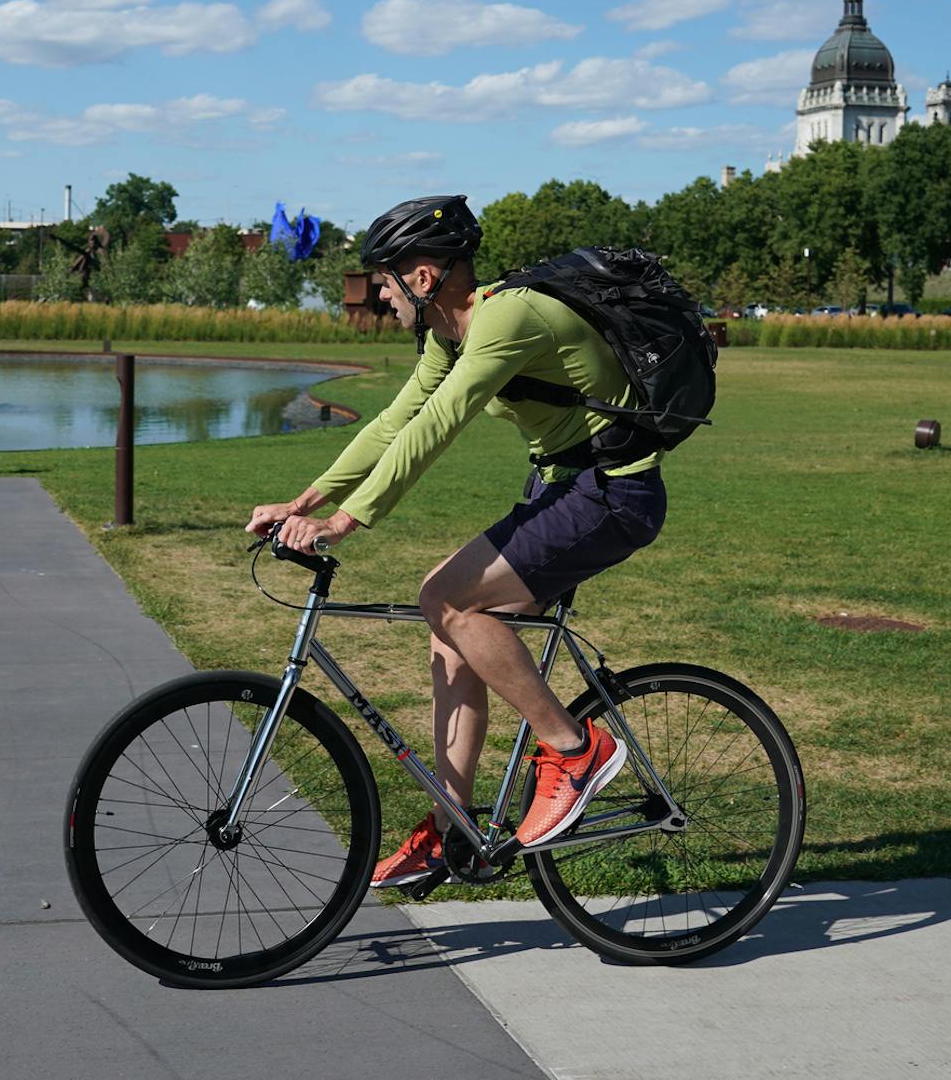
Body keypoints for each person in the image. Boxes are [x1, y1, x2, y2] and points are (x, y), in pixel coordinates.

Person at [245, 193, 668, 892]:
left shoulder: (505, 317)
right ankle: (451, 830)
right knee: (448, 628)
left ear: (421, 276)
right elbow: (393, 423)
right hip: (563, 488)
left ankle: (575, 749)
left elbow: (438, 424)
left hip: (610, 493)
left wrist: (346, 523)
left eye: (384, 280)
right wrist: (305, 501)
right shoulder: (451, 333)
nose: (379, 296)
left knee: (446, 600)